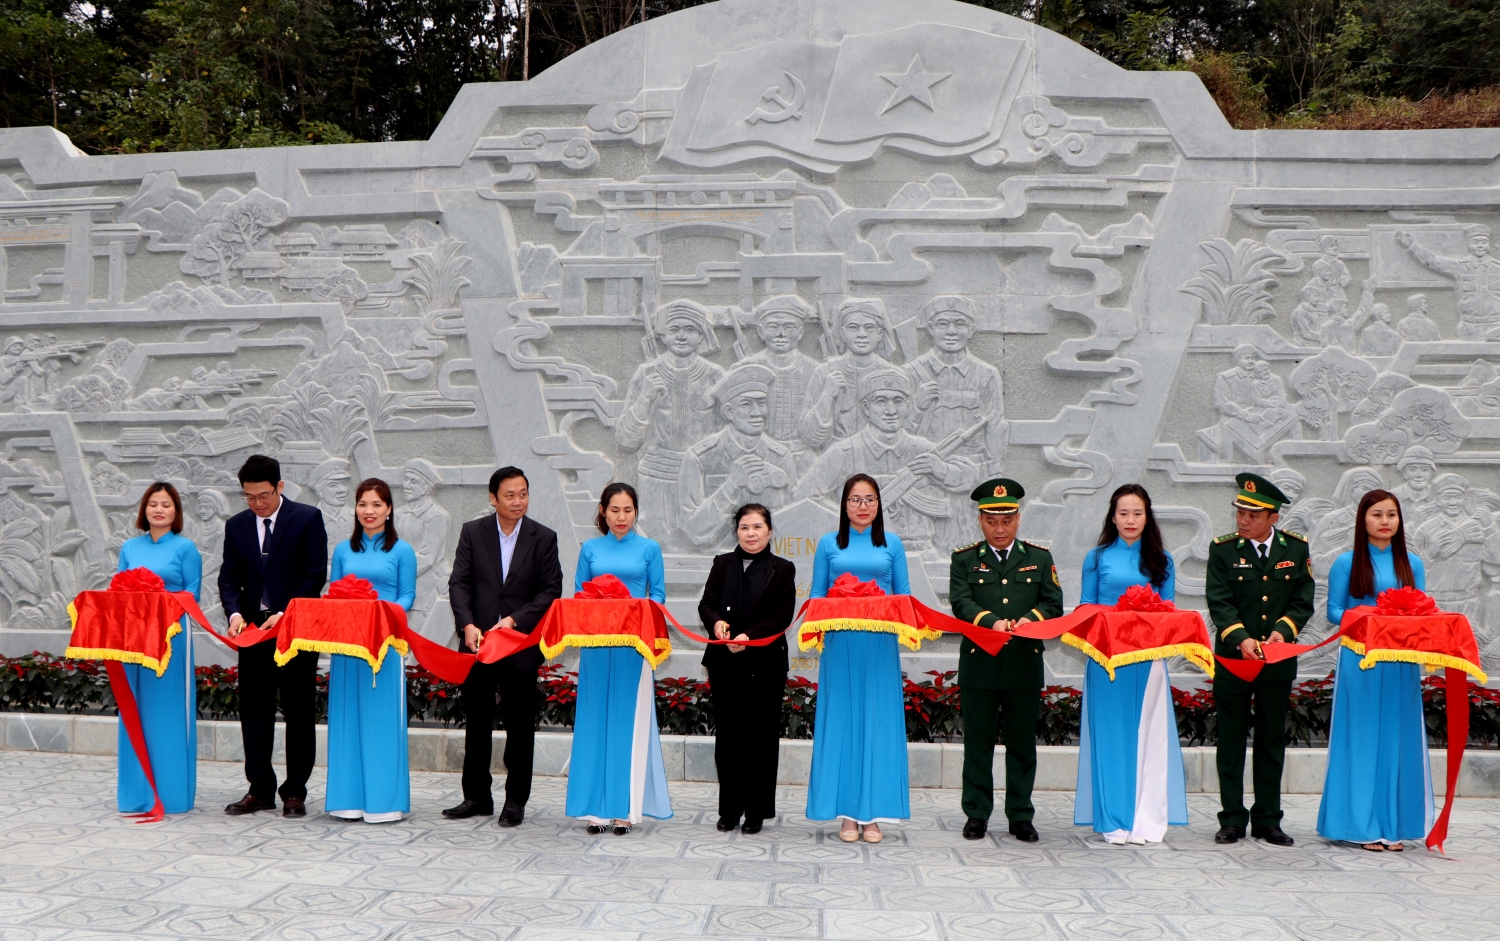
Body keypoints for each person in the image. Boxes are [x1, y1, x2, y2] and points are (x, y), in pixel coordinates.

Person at [444, 467, 562, 826]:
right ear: (493, 498)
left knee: (519, 724)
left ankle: (515, 800)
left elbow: (550, 590)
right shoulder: (472, 532)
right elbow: (459, 583)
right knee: (477, 722)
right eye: (510, 495)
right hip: (478, 644)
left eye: (523, 493)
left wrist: (513, 620)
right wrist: (466, 624)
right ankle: (476, 796)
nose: (518, 501)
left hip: (519, 645)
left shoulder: (543, 537)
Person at [948, 478, 1061, 843]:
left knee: (1022, 745)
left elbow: (1053, 604)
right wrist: (991, 623)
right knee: (977, 744)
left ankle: (1020, 815)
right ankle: (977, 813)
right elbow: (961, 603)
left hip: (1022, 665)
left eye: (1007, 520)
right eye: (992, 521)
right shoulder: (964, 559)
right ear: (980, 520)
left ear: (1018, 519)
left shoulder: (1039, 558)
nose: (1000, 528)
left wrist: (1030, 620)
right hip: (980, 663)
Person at [1206, 473, 1314, 847]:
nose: (1243, 520)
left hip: (1277, 661)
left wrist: (1283, 632)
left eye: (1253, 514)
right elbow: (1219, 601)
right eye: (1240, 512)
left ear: (1274, 517)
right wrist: (1241, 638)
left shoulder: (1296, 550)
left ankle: (1268, 818)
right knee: (1231, 738)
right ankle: (1232, 818)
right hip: (1235, 661)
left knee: (1271, 739)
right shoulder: (1222, 549)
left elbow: (1303, 600)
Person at [1319, 490, 1431, 851]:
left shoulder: (1411, 563)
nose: (1385, 521)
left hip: (1401, 661)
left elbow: (1422, 610)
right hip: (1362, 659)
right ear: (1362, 520)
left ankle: (1393, 825)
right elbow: (1334, 612)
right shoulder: (1347, 562)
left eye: (1392, 515)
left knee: (1398, 740)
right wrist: (1368, 617)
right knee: (1363, 739)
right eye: (1377, 515)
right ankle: (1361, 826)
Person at [219, 454, 329, 817]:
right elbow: (228, 579)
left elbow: (313, 575)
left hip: (295, 631)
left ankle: (295, 790)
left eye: (263, 495)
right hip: (253, 633)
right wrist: (235, 614)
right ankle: (260, 788)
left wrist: (284, 613)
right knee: (254, 710)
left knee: (298, 709)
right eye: (248, 497)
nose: (256, 504)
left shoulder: (307, 519)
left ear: (280, 487)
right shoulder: (236, 526)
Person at [1075, 483, 1185, 844]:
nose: (1130, 520)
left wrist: (1146, 615)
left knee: (1147, 737)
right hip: (1107, 659)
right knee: (1110, 736)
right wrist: (1120, 614)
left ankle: (1144, 817)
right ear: (1112, 516)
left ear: (1147, 516)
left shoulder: (1162, 560)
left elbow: (1168, 612)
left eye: (1137, 513)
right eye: (1123, 513)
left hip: (1148, 660)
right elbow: (1085, 608)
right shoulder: (1097, 558)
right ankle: (1111, 818)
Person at [805, 474, 911, 843]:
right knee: (844, 725)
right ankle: (848, 815)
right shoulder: (828, 544)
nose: (862, 506)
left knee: (877, 725)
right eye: (854, 499)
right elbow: (817, 596)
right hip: (841, 646)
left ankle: (873, 815)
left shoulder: (892, 544)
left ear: (879, 504)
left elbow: (904, 597)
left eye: (869, 499)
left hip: (880, 645)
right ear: (844, 504)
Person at [567, 482, 673, 833]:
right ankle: (595, 809)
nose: (622, 517)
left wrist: (632, 610)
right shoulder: (590, 549)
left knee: (629, 724)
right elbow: (580, 596)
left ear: (636, 512)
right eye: (615, 510)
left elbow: (657, 596)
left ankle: (626, 808)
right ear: (602, 510)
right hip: (596, 646)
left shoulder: (649, 549)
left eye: (628, 510)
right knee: (595, 720)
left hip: (633, 647)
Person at [697, 503, 796, 834]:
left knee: (761, 738)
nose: (750, 533)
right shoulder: (722, 564)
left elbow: (782, 615)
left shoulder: (782, 569)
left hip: (765, 665)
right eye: (743, 527)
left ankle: (756, 811)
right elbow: (706, 604)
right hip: (725, 663)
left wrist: (748, 636)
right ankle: (729, 810)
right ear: (735, 531)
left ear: (769, 531)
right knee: (729, 738)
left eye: (757, 527)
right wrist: (717, 626)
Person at [325, 478, 417, 823]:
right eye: (363, 504)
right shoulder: (343, 550)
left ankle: (384, 801)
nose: (369, 511)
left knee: (381, 721)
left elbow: (407, 597)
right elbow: (333, 594)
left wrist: (380, 615)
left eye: (377, 504)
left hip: (385, 646)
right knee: (346, 718)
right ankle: (346, 799)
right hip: (347, 647)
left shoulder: (402, 551)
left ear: (389, 509)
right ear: (355, 508)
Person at [115, 482, 202, 815]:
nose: (159, 510)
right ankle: (135, 795)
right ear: (144, 510)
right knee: (135, 710)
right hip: (133, 641)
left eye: (166, 504)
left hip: (170, 639)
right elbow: (119, 590)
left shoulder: (185, 548)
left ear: (176, 512)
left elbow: (191, 596)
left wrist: (159, 605)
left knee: (168, 714)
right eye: (153, 503)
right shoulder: (130, 547)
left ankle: (172, 795)